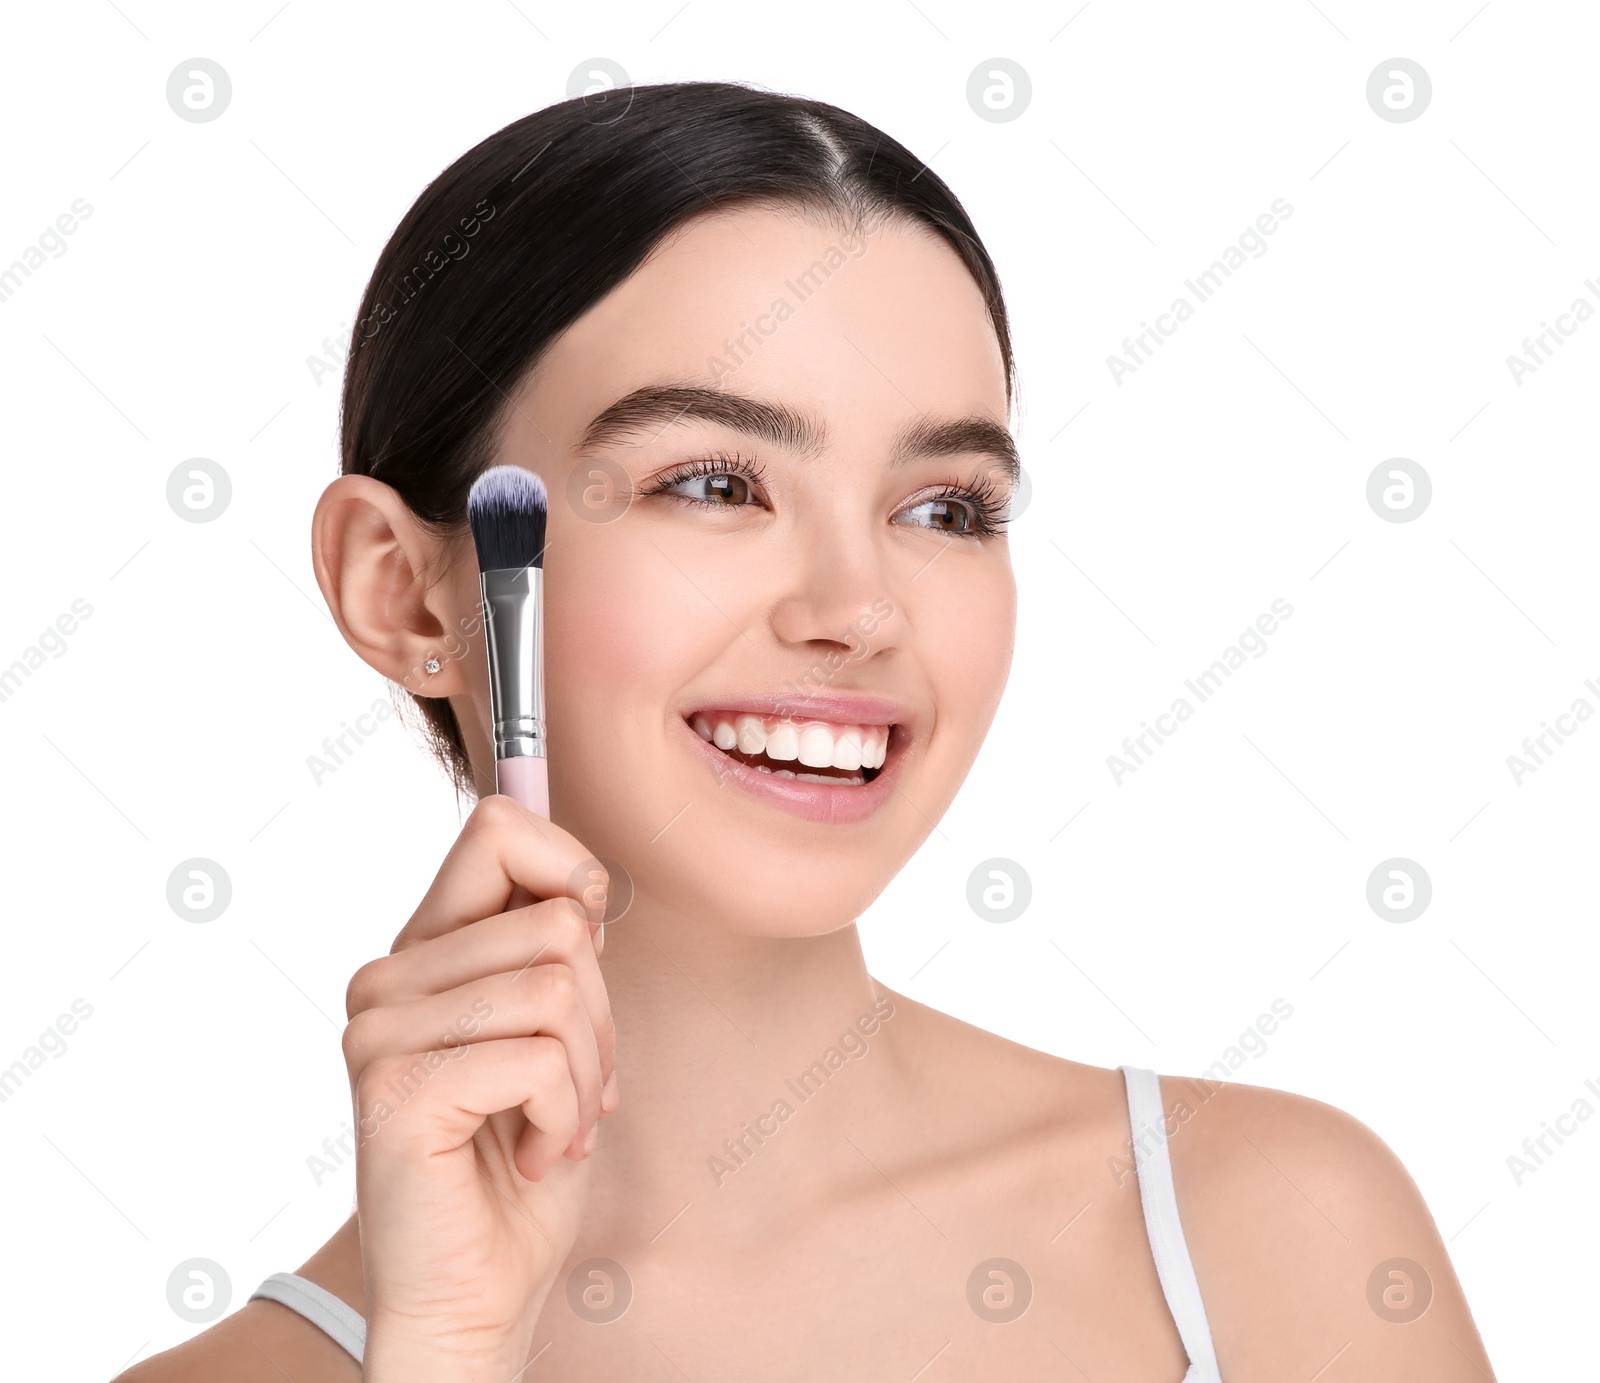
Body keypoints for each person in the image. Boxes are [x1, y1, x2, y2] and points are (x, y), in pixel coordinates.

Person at [119, 81, 1495, 1382]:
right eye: (715, 484)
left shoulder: (1273, 1234)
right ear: (400, 584)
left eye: (945, 508)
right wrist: (448, 1343)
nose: (859, 608)